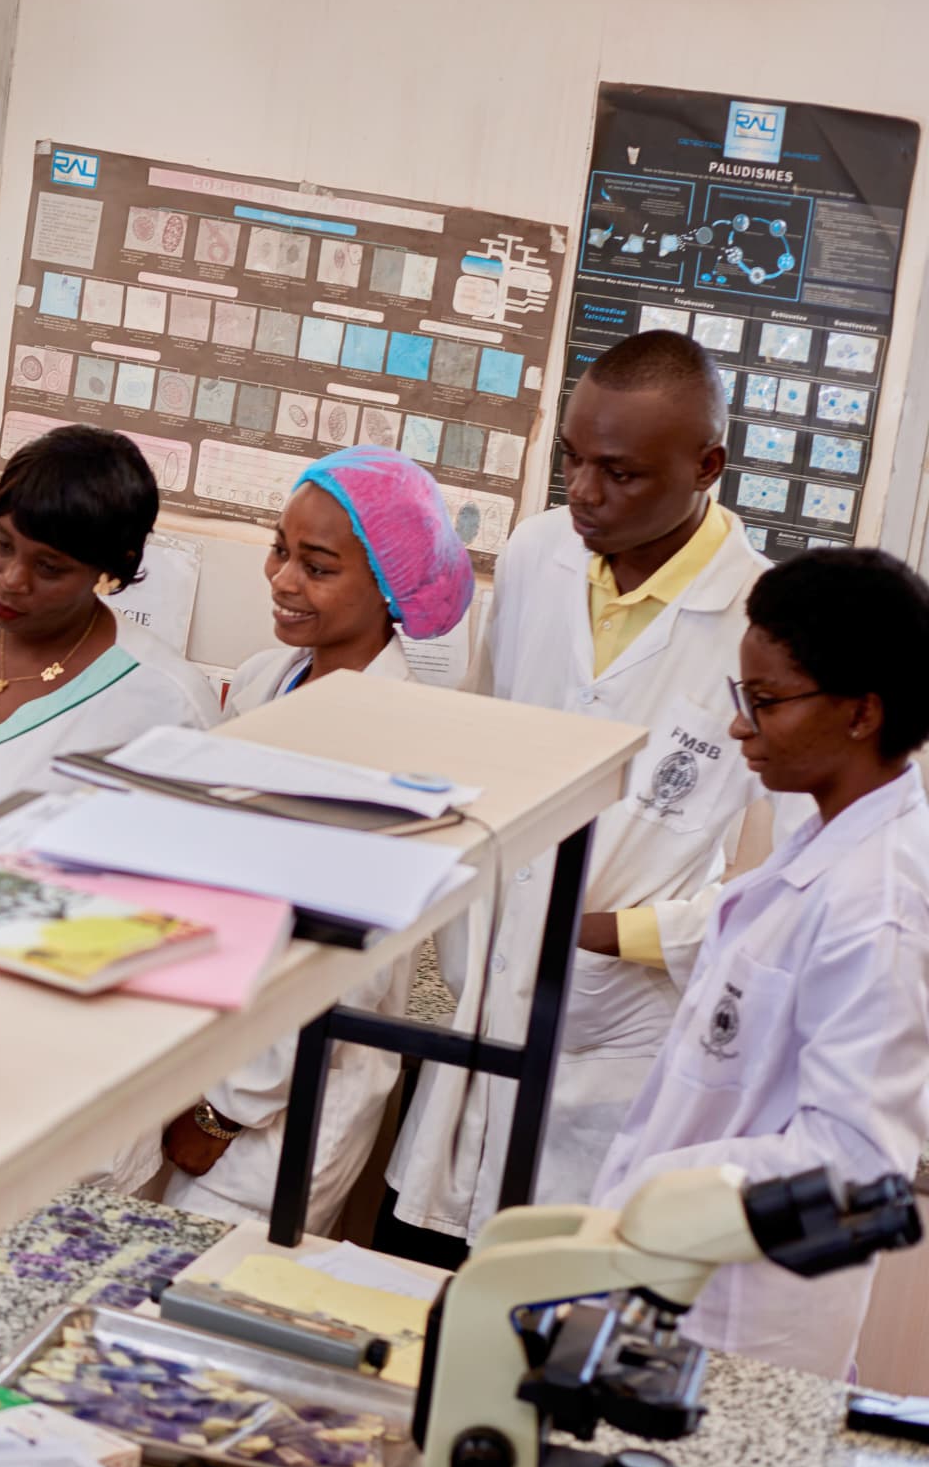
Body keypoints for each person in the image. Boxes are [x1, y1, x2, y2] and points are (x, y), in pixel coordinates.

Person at [384, 330, 791, 1262]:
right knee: (421, 1282)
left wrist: (621, 935)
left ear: (707, 466)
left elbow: (801, 884)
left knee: (559, 1299)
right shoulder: (536, 557)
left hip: (619, 1034)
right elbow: (488, 745)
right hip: (483, 1004)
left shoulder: (764, 623)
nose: (584, 495)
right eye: (572, 459)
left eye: (620, 473)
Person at [595, 548, 929, 1379]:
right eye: (742, 697)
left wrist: (662, 1187)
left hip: (743, 1322)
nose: (740, 724)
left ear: (862, 714)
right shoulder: (819, 847)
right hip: (685, 1289)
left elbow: (854, 1157)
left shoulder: (876, 905)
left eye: (767, 702)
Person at [157, 447, 473, 1233]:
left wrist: (226, 1110)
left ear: (388, 587)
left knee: (204, 1293)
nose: (283, 580)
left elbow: (346, 967)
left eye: (318, 567)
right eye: (280, 550)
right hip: (206, 1042)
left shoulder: (401, 736)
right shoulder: (269, 677)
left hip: (290, 1092)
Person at [0, 426, 218, 822]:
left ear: (109, 568)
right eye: (2, 544)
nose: (11, 580)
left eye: (49, 567)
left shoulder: (172, 706)